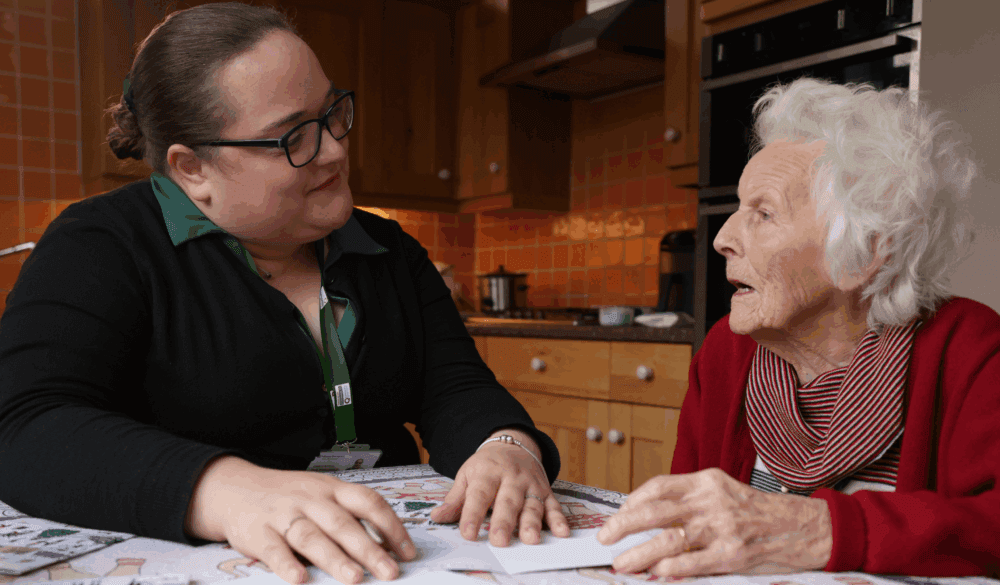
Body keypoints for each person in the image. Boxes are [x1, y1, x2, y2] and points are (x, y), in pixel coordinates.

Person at [0, 3, 570, 585]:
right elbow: (26, 427)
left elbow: (456, 387)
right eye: (294, 135)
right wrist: (223, 491)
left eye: (332, 114)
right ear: (193, 167)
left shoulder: (389, 250)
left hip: (393, 556)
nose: (334, 150)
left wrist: (507, 445)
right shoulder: (100, 244)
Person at [597, 77, 1000, 577]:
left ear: (865, 253)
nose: (723, 238)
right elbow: (692, 532)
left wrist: (821, 529)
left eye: (762, 214)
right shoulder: (726, 351)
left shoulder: (970, 350)